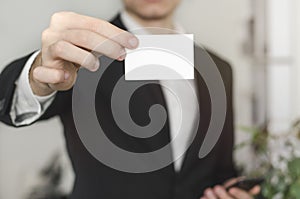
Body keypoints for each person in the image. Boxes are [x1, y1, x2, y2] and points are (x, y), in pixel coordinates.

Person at [0, 0, 260, 198]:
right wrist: (38, 76)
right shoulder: (81, 55)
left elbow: (221, 168)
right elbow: (9, 98)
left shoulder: (218, 69)